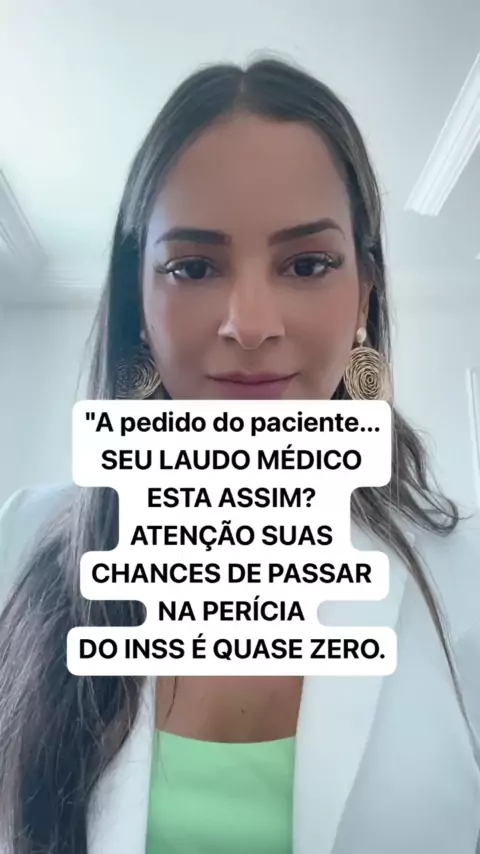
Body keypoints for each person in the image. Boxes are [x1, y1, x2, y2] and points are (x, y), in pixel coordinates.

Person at [0, 57, 479, 854]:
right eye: (194, 267)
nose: (250, 323)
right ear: (138, 300)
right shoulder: (20, 543)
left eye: (307, 264)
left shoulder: (467, 582)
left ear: (364, 292)